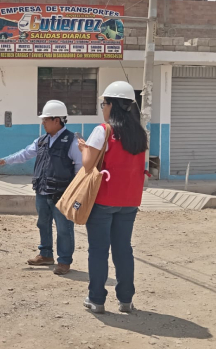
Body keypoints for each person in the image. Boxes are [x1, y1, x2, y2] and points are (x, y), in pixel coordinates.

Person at [77, 81, 148, 314]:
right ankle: (126, 300)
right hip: (130, 200)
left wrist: (84, 148)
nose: (102, 108)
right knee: (123, 249)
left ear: (113, 105)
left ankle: (96, 299)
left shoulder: (103, 130)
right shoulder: (140, 133)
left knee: (98, 250)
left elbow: (88, 164)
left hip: (104, 199)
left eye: (103, 103)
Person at [0, 100, 82, 275]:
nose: (43, 123)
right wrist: (6, 160)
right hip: (42, 190)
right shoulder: (42, 141)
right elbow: (25, 153)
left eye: (45, 119)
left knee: (64, 228)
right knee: (43, 223)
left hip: (62, 193)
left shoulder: (72, 141)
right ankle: (46, 254)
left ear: (57, 120)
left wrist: (75, 192)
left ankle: (64, 261)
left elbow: (79, 168)